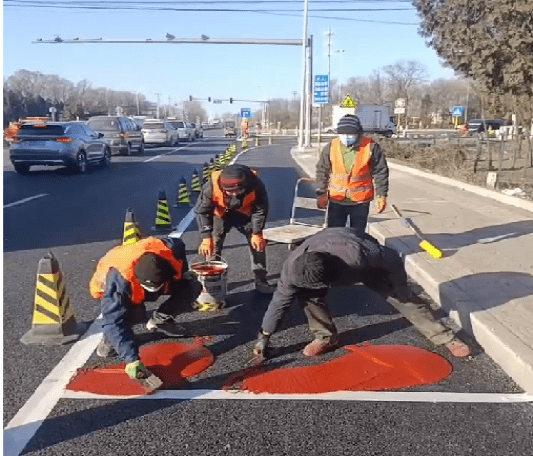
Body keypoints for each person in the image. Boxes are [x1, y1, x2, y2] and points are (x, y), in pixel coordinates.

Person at [253, 227, 471, 359]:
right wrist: (264, 336)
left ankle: (444, 336)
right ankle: (325, 337)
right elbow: (278, 304)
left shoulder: (357, 255)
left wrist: (400, 286)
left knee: (401, 297)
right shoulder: (292, 271)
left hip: (358, 248)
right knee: (308, 298)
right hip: (323, 249)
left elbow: (392, 259)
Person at [90, 236, 202, 387]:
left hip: (149, 275)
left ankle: (161, 320)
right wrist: (132, 360)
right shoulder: (118, 283)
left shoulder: (170, 249)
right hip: (118, 283)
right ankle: (109, 342)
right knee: (131, 318)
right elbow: (113, 320)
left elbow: (179, 245)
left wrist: (184, 274)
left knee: (192, 286)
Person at [196, 164, 275, 294]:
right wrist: (206, 237)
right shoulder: (210, 188)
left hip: (246, 215)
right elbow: (202, 212)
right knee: (213, 247)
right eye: (230, 192)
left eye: (238, 191)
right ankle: (212, 283)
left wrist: (257, 232)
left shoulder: (255, 184)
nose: (234, 194)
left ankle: (261, 281)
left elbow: (261, 209)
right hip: (221, 215)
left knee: (258, 246)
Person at [315, 114, 389, 235]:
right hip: (337, 200)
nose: (346, 137)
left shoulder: (371, 147)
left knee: (358, 235)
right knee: (334, 235)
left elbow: (381, 172)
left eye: (350, 134)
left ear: (358, 133)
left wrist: (381, 195)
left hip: (360, 203)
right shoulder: (331, 147)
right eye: (343, 134)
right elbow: (322, 171)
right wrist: (321, 193)